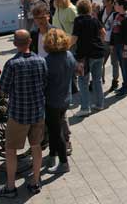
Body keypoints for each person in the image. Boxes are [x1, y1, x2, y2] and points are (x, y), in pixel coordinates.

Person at [0, 30, 47, 198]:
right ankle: (35, 182)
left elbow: (2, 88)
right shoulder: (41, 61)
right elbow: (45, 83)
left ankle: (10, 187)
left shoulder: (12, 64)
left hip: (18, 114)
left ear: (15, 44)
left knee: (10, 150)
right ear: (30, 41)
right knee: (36, 147)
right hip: (38, 112)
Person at [43, 29, 77, 174]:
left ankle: (63, 163)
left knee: (56, 133)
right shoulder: (69, 55)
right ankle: (52, 155)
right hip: (65, 98)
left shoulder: (48, 61)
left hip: (52, 101)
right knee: (54, 129)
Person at [71, 0, 106, 116]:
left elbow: (74, 38)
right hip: (99, 53)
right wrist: (99, 42)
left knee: (83, 81)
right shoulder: (94, 19)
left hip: (85, 56)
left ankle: (85, 107)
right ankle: (99, 104)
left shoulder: (78, 20)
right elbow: (103, 33)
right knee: (97, 79)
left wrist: (66, 46)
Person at [112, 0, 127, 96]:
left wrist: (125, 49)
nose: (114, 6)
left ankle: (126, 87)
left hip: (124, 45)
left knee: (125, 66)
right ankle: (124, 85)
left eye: (116, 4)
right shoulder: (116, 15)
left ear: (121, 6)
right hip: (117, 44)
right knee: (122, 65)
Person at [99, 0, 120, 91]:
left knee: (114, 62)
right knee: (101, 61)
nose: (102, 1)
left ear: (111, 1)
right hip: (104, 41)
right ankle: (100, 79)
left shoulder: (116, 13)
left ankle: (115, 81)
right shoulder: (102, 10)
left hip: (113, 42)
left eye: (104, 0)